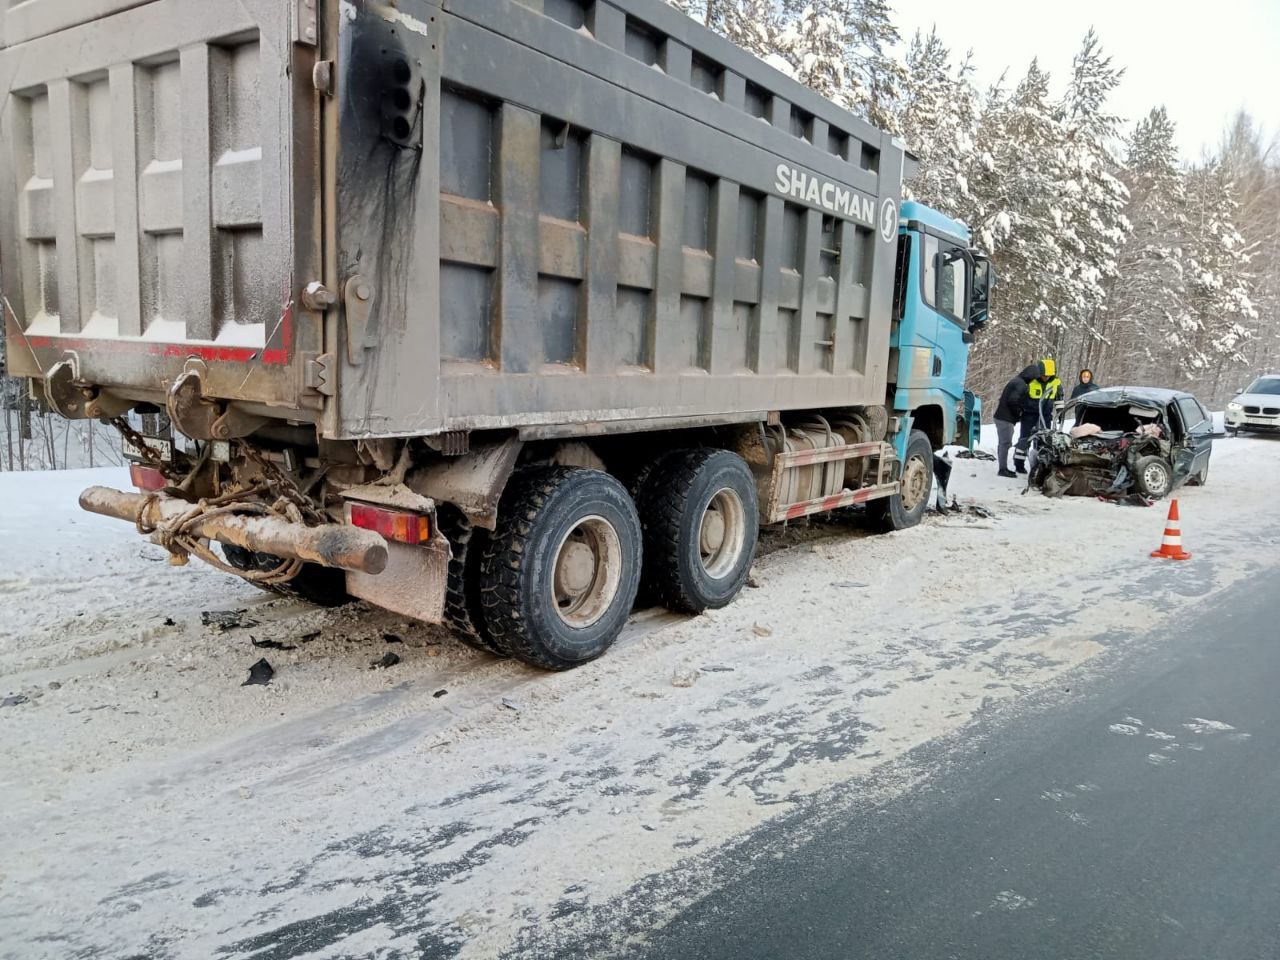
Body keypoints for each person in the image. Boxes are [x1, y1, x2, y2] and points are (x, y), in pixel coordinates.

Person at [1014, 358, 1061, 474]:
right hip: (1029, 416)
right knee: (1025, 439)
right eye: (1045, 375)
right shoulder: (1031, 381)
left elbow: (1059, 400)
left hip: (1045, 417)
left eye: (1049, 375)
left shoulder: (1056, 383)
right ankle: (1019, 464)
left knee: (1043, 441)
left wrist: (1060, 414)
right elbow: (1021, 398)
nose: (1047, 377)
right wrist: (1020, 411)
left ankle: (1040, 465)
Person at [994, 362, 1040, 478]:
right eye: (1034, 378)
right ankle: (1002, 469)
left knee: (1003, 443)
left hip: (1002, 417)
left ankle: (1002, 467)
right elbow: (1013, 401)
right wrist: (1019, 412)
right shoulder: (1021, 384)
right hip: (1005, 418)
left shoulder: (1016, 381)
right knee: (1005, 443)